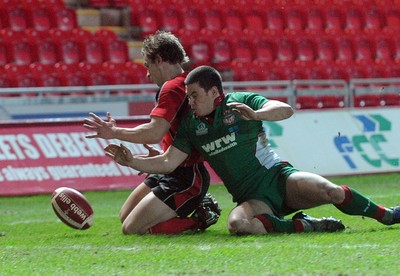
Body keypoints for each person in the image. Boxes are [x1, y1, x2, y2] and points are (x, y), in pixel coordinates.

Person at [104, 65, 400, 235]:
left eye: (194, 96)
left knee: (332, 193)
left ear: (214, 92)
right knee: (238, 224)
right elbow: (169, 162)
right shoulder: (191, 127)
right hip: (253, 199)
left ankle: (387, 215)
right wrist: (133, 162)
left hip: (280, 180)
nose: (189, 102)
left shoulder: (241, 102)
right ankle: (306, 226)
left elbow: (284, 109)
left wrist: (257, 115)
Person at [83, 32, 221, 235]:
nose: (147, 74)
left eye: (148, 65)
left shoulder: (172, 87)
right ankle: (194, 206)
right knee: (126, 216)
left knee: (132, 228)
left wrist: (113, 132)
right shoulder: (186, 84)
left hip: (186, 176)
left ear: (159, 60)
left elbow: (154, 132)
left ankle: (200, 218)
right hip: (170, 168)